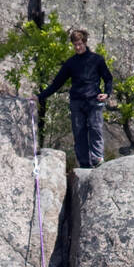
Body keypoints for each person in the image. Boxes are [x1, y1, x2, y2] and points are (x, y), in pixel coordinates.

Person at [36, 28, 113, 169]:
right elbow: (56, 83)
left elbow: (108, 78)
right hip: (77, 102)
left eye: (80, 44)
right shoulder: (70, 63)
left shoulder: (97, 60)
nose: (77, 47)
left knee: (95, 129)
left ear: (85, 42)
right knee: (79, 133)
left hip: (94, 101)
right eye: (75, 45)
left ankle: (97, 159)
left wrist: (107, 93)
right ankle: (84, 164)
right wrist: (40, 97)